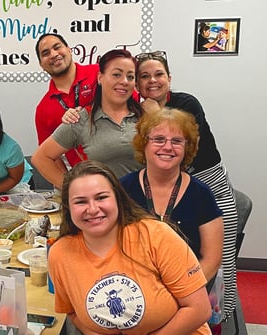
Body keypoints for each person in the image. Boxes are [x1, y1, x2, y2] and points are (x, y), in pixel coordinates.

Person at [133, 50, 239, 320]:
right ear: (137, 84)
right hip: (169, 186)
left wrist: (156, 112)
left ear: (169, 78)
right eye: (144, 76)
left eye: (158, 74)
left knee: (220, 261)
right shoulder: (136, 109)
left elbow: (188, 143)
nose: (152, 81)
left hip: (209, 181)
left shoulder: (186, 102)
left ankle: (221, 319)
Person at [49, 160, 212, 335]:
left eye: (101, 197)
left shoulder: (155, 235)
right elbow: (72, 311)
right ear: (68, 207)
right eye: (80, 202)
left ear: (118, 198)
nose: (93, 209)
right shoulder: (60, 254)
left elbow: (199, 309)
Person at [120, 107, 223, 284]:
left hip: (187, 289)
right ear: (144, 143)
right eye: (159, 139)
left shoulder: (201, 195)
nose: (167, 147)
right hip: (133, 288)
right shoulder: (122, 189)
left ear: (187, 148)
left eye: (177, 141)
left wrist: (183, 290)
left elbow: (211, 260)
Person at [31, 49, 144, 189]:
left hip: (144, 207)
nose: (124, 81)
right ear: (100, 78)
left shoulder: (146, 117)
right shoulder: (81, 119)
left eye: (130, 77)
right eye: (116, 74)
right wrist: (74, 189)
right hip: (103, 208)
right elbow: (41, 158)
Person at [34, 33, 98, 169]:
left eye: (57, 47)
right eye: (45, 53)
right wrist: (68, 186)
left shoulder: (99, 73)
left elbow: (130, 103)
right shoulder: (43, 109)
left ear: (69, 49)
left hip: (124, 167)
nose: (53, 54)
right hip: (87, 178)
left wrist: (89, 110)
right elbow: (49, 156)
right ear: (41, 64)